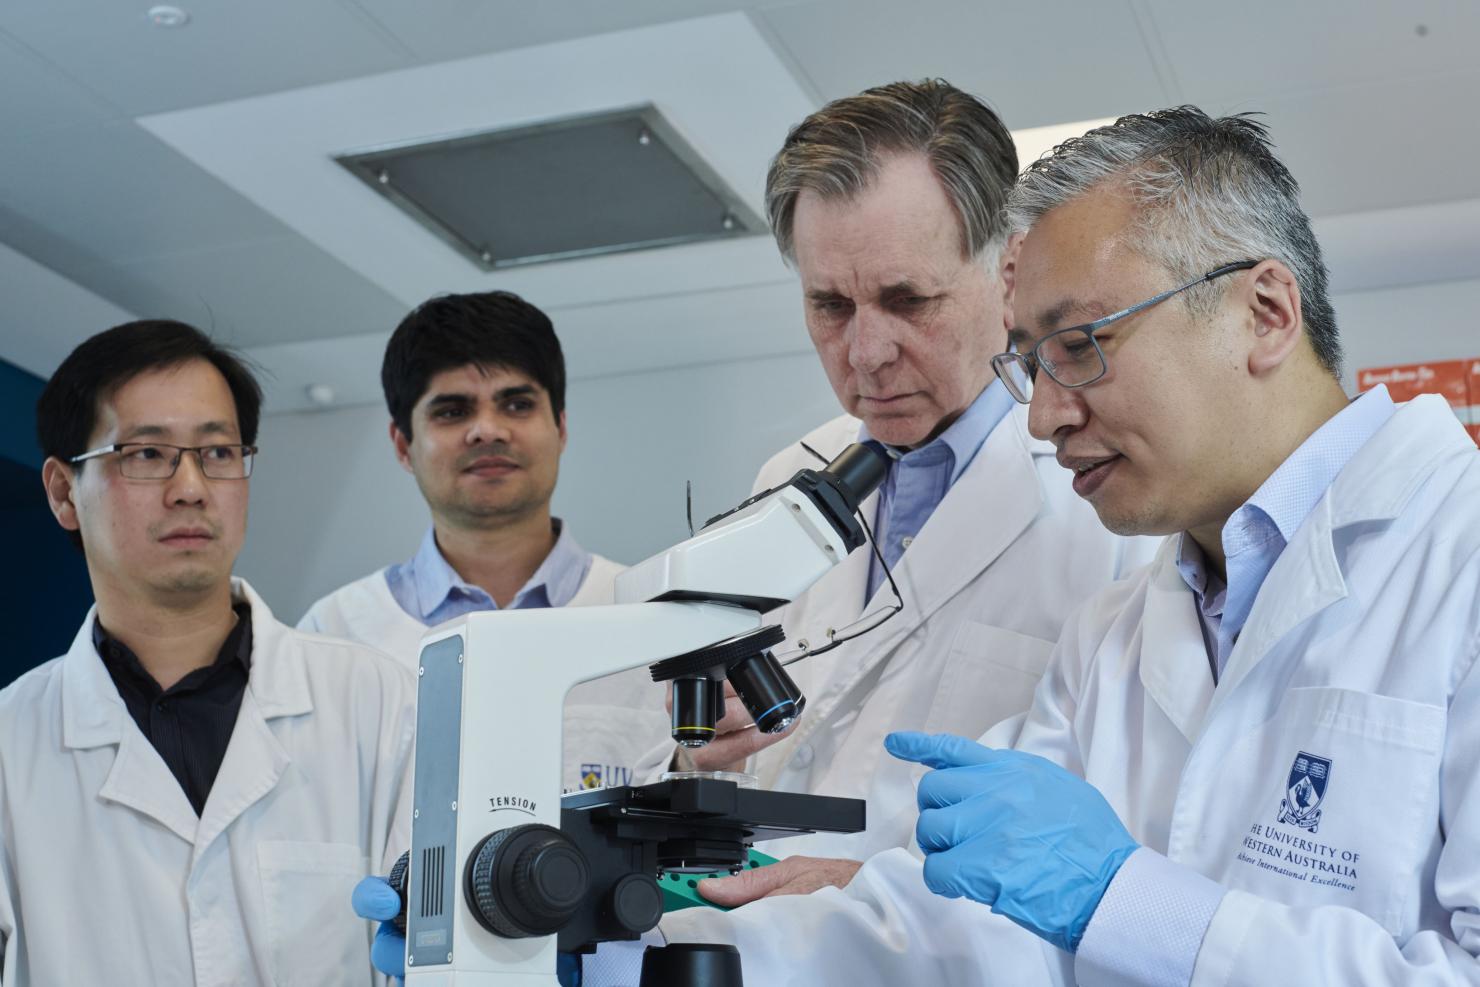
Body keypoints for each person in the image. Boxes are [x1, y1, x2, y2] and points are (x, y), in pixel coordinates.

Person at [611, 106, 1480, 985]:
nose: (1043, 414)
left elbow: (1103, 907)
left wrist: (1120, 898)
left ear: (1263, 312)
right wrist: (664, 958)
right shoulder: (1120, 629)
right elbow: (984, 917)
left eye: (1082, 345)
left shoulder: (1459, 555)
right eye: (1031, 362)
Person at [629, 78, 1155, 894]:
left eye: (908, 300)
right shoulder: (786, 479)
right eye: (829, 305)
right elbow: (699, 751)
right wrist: (695, 753)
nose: (865, 352)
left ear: (1008, 268)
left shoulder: (1106, 507)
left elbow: (1124, 834)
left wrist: (870, 889)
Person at [1, 320, 414, 985]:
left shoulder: (379, 703)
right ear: (61, 491)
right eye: (145, 453)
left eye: (218, 452)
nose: (190, 485)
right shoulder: (10, 743)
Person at [299, 291, 665, 794]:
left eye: (517, 404)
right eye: (452, 411)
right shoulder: (332, 634)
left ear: (559, 427)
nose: (487, 430)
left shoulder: (651, 621)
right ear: (403, 445)